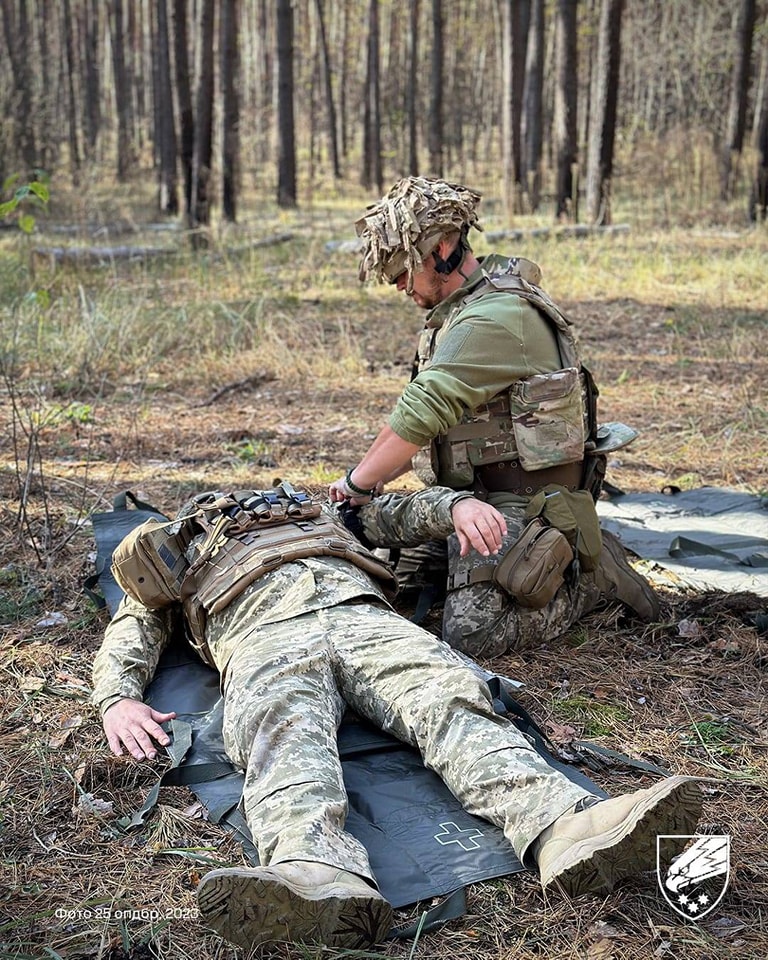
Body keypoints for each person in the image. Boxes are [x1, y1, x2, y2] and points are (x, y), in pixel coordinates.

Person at [93, 483, 702, 954]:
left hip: (366, 617)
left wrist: (459, 505)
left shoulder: (318, 511)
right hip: (262, 633)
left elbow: (404, 513)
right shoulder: (180, 546)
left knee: (448, 699)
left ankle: (564, 828)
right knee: (277, 732)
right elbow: (135, 624)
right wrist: (117, 697)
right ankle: (315, 869)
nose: (240, 506)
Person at [330, 176, 660, 657]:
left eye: (404, 269)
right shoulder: (464, 308)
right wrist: (362, 483)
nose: (400, 285)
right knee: (386, 579)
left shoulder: (495, 317)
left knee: (473, 635)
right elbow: (424, 420)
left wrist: (360, 483)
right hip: (470, 498)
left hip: (525, 504)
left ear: (442, 248)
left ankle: (592, 578)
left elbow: (424, 409)